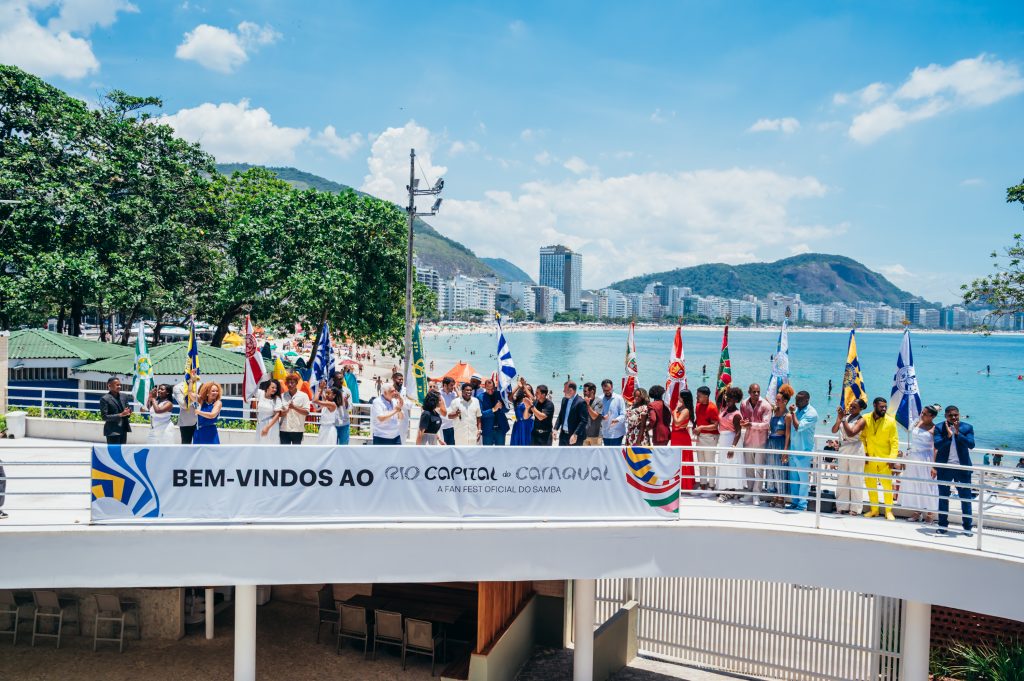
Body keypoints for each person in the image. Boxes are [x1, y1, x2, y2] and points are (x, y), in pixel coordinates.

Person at [934, 405, 976, 535]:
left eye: (955, 415)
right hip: (945, 468)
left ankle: (967, 528)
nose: (953, 417)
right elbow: (937, 445)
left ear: (959, 414)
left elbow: (971, 445)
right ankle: (942, 526)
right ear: (945, 416)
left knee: (966, 499)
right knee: (943, 498)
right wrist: (948, 435)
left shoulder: (967, 427)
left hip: (962, 468)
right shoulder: (939, 427)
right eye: (950, 415)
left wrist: (958, 433)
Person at [861, 397, 899, 520]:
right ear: (874, 405)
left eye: (885, 407)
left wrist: (892, 459)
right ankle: (874, 510)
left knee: (887, 486)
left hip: (885, 459)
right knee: (870, 485)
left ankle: (888, 511)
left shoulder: (891, 421)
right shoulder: (865, 418)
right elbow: (862, 437)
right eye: (881, 406)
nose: (884, 409)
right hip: (870, 458)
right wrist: (865, 453)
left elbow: (894, 442)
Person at [900, 404, 939, 523]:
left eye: (925, 413)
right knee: (915, 483)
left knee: (928, 485)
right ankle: (917, 511)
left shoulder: (934, 429)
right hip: (914, 457)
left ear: (931, 416)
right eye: (922, 412)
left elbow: (936, 448)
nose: (921, 414)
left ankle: (930, 513)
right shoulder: (917, 422)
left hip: (926, 457)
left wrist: (934, 465)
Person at [831, 398, 867, 515]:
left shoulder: (861, 420)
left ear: (860, 409)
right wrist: (840, 419)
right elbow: (834, 430)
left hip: (855, 449)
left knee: (855, 478)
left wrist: (843, 420)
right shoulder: (844, 417)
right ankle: (842, 506)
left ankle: (855, 508)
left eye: (854, 407)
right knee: (842, 478)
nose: (851, 408)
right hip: (843, 448)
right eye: (850, 406)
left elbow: (851, 432)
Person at [785, 390, 818, 511]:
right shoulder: (798, 410)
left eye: (799, 400)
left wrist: (792, 413)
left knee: (803, 480)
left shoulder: (812, 413)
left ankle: (802, 504)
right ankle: (794, 502)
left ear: (807, 400)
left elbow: (798, 427)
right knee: (794, 479)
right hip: (794, 450)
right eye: (796, 400)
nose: (797, 402)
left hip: (804, 451)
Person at [740, 383, 773, 502]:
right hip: (748, 440)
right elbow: (743, 419)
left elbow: (766, 425)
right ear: (749, 392)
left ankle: (756, 494)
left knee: (759, 468)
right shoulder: (744, 403)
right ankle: (749, 492)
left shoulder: (766, 405)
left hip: (761, 441)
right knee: (748, 467)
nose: (756, 394)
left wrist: (751, 425)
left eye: (758, 391)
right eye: (754, 392)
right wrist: (743, 423)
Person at [716, 387, 745, 502]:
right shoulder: (725, 409)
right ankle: (726, 488)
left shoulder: (737, 414)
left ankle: (730, 490)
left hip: (732, 440)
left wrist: (732, 447)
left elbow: (738, 432)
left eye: (732, 398)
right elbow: (718, 400)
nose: (728, 400)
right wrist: (723, 390)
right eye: (728, 397)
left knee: (731, 464)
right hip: (723, 439)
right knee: (724, 464)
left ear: (736, 400)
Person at [766, 385, 793, 507]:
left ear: (785, 401)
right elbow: (766, 400)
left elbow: (788, 435)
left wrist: (785, 451)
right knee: (772, 469)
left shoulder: (787, 416)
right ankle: (775, 494)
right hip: (771, 442)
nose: (776, 401)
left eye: (778, 400)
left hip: (781, 444)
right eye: (776, 399)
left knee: (780, 469)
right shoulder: (774, 411)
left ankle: (781, 497)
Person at [693, 386, 720, 492]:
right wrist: (697, 428)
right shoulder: (698, 406)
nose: (697, 397)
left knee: (710, 462)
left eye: (699, 395)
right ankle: (703, 484)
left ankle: (712, 486)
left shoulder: (712, 408)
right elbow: (699, 420)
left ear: (706, 396)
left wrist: (702, 427)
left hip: (710, 437)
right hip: (700, 437)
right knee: (701, 461)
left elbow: (715, 425)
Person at [671, 389, 696, 491]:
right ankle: (677, 482)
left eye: (680, 396)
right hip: (676, 436)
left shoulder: (685, 410)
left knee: (684, 459)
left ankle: (686, 484)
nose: (678, 397)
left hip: (681, 437)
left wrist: (673, 412)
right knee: (676, 459)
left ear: (684, 398)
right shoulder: (681, 407)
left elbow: (677, 422)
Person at [99, 377, 132, 445]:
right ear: (109, 386)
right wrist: (121, 415)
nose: (119, 386)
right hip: (112, 431)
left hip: (123, 430)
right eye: (117, 385)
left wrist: (128, 413)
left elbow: (127, 412)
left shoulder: (124, 396)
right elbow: (104, 417)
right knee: (113, 454)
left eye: (120, 385)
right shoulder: (105, 399)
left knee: (122, 453)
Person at [554, 381, 589, 446]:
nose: (563, 391)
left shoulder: (581, 402)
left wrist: (575, 434)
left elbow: (584, 421)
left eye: (565, 390)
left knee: (574, 456)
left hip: (575, 437)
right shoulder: (564, 400)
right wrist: (556, 428)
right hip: (563, 436)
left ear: (571, 390)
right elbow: (561, 415)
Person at [280, 372, 311, 445]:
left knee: (296, 453)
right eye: (288, 383)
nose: (290, 385)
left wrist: (294, 407)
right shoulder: (282, 396)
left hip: (297, 429)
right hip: (284, 428)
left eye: (292, 383)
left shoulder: (304, 396)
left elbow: (307, 412)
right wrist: (284, 411)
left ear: (296, 383)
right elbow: (279, 413)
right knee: (284, 452)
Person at [478, 379, 510, 446]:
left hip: (500, 429)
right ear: (485, 387)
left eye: (492, 389)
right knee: (487, 452)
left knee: (501, 452)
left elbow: (507, 409)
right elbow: (481, 414)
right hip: (487, 430)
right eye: (488, 389)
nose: (490, 391)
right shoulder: (480, 397)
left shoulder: (500, 394)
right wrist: (493, 409)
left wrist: (501, 408)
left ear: (494, 387)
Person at [599, 379, 627, 446]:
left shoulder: (619, 398)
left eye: (609, 390)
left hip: (617, 432)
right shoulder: (600, 399)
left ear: (612, 387)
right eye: (605, 390)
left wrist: (617, 420)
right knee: (607, 453)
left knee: (615, 454)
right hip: (605, 432)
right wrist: (602, 417)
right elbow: (597, 414)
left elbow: (623, 414)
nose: (607, 392)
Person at [256, 379, 284, 444]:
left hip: (271, 425)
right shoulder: (261, 393)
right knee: (260, 445)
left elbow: (277, 415)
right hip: (260, 423)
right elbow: (251, 389)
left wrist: (267, 427)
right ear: (267, 387)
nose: (274, 389)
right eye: (273, 387)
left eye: (276, 388)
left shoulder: (277, 399)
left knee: (270, 445)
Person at [173, 378, 199, 444]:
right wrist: (194, 397)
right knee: (186, 446)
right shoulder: (177, 387)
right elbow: (183, 405)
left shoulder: (201, 385)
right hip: (186, 422)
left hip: (201, 421)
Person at [330, 371, 353, 445]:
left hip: (344, 424)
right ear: (334, 379)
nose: (341, 381)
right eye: (339, 379)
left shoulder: (347, 391)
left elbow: (350, 408)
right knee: (332, 447)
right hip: (332, 424)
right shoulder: (329, 391)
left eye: (342, 379)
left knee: (344, 448)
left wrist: (346, 402)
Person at [510, 380, 535, 446]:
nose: (525, 391)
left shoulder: (531, 401)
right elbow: (509, 396)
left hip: (528, 425)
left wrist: (524, 386)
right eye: (523, 389)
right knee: (515, 445)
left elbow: (533, 398)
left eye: (528, 390)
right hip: (518, 424)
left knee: (527, 444)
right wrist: (518, 386)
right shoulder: (517, 400)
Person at [438, 377, 460, 445]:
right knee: (443, 449)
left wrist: (456, 389)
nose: (452, 387)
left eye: (453, 385)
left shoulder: (453, 394)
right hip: (442, 427)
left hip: (452, 426)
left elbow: (461, 399)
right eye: (451, 385)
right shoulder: (438, 394)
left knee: (452, 448)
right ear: (445, 385)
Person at [392, 372, 412, 444]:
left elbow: (410, 405)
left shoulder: (406, 391)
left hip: (403, 421)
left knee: (402, 442)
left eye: (402, 380)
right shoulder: (389, 390)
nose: (401, 381)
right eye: (399, 379)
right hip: (392, 420)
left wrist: (400, 399)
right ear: (394, 379)